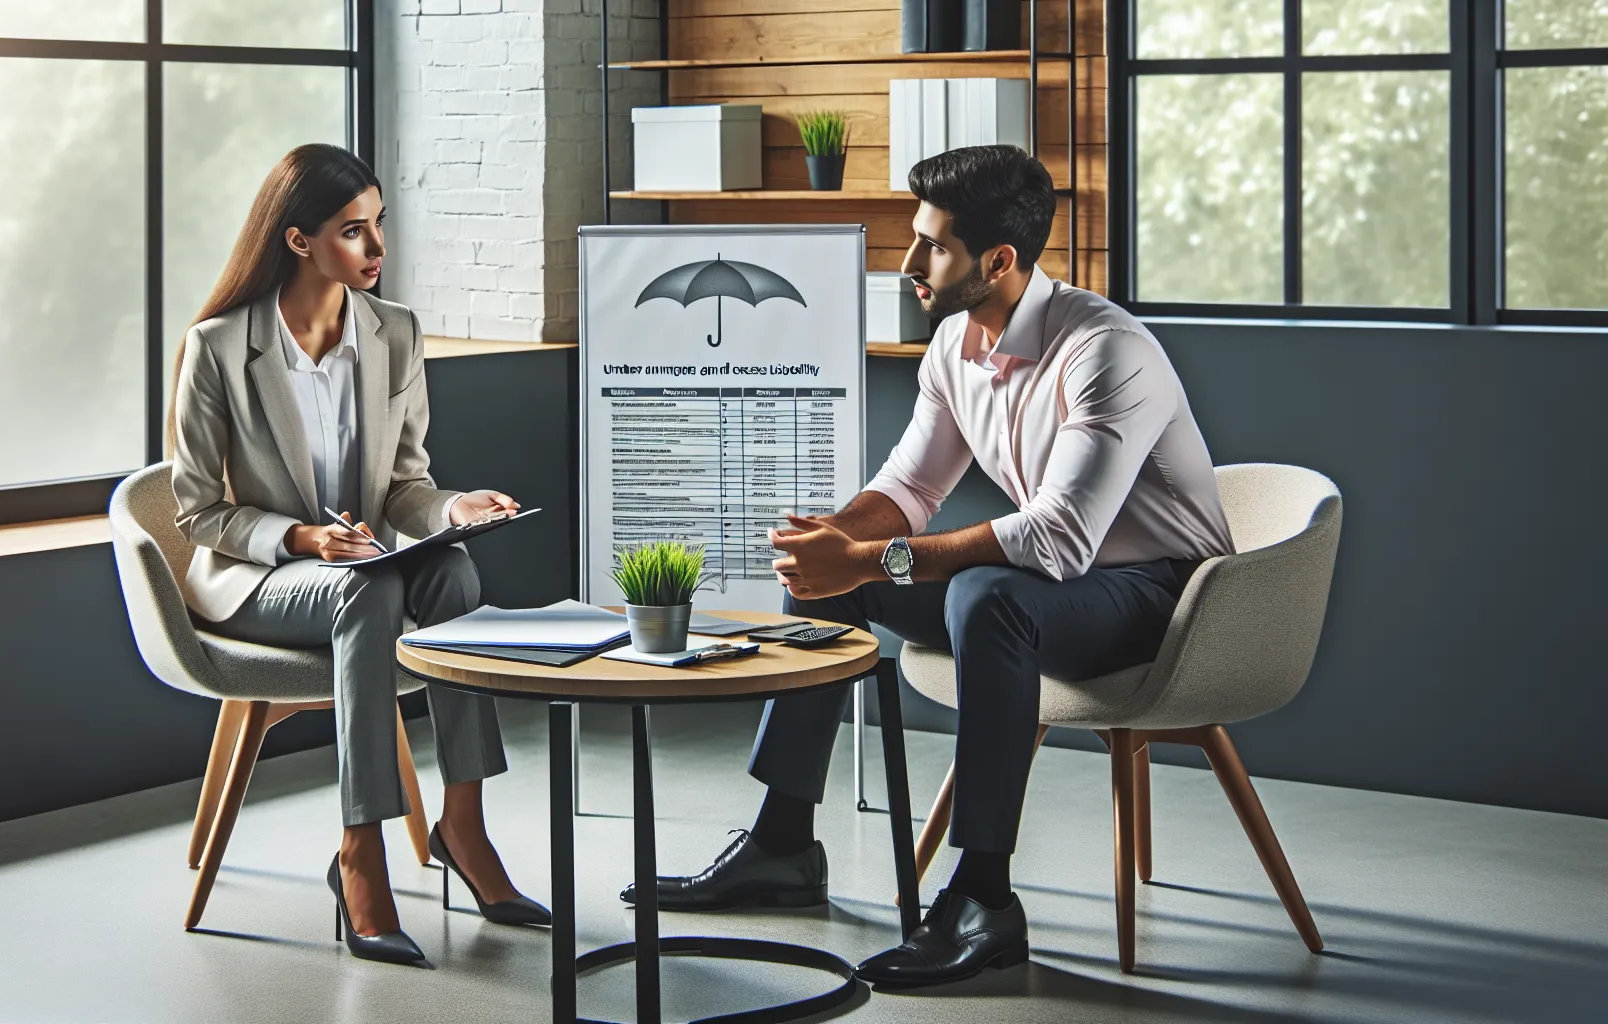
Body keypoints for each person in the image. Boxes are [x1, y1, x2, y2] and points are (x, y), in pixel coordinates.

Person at [624, 145, 1236, 988]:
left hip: (1163, 597)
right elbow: (911, 486)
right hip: (1056, 586)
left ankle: (985, 897)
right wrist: (830, 544)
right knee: (831, 581)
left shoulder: (1104, 350)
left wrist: (869, 555)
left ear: (998, 261)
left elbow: (1059, 538)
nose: (909, 262)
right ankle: (782, 843)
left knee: (988, 598)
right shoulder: (956, 342)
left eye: (932, 247)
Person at [170, 143, 548, 968]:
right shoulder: (220, 347)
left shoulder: (394, 333)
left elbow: (406, 487)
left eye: (380, 225)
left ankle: (464, 826)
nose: (378, 250)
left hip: (363, 565)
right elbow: (198, 512)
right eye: (354, 231)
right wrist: (305, 539)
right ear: (299, 241)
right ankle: (360, 852)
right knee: (363, 594)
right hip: (260, 580)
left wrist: (453, 506)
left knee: (451, 569)